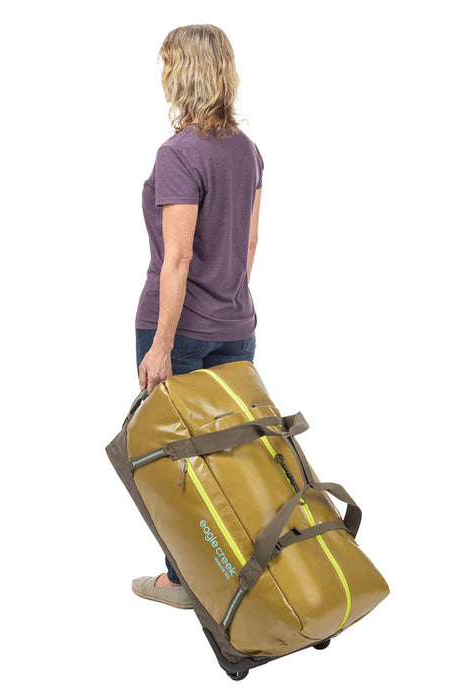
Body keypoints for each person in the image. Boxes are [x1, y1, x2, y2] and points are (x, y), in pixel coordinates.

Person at [130, 24, 264, 609]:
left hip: (178, 330)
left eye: (168, 65)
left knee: (175, 462)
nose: (163, 75)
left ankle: (184, 582)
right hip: (237, 325)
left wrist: (162, 344)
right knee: (233, 458)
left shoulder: (179, 153)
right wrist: (227, 303)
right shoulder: (247, 150)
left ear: (182, 73)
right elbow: (250, 242)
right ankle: (241, 572)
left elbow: (179, 255)